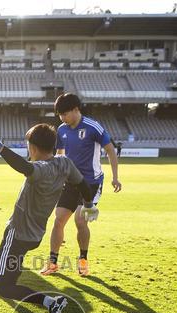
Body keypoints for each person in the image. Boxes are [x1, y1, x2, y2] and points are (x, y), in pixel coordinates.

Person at [0, 121, 91, 313]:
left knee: (6, 287)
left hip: (18, 233)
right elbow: (82, 183)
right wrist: (89, 205)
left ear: (34, 148)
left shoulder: (40, 169)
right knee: (7, 258)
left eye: (28, 146)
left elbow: (22, 166)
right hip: (36, 235)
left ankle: (51, 303)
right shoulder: (64, 163)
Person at [40, 93, 122, 278]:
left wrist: (115, 177)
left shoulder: (93, 127)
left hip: (91, 183)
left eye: (65, 113)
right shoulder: (61, 130)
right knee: (58, 219)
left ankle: (83, 260)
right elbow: (60, 154)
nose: (62, 118)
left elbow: (110, 150)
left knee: (80, 220)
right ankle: (52, 263)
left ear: (76, 109)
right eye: (59, 114)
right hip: (69, 182)